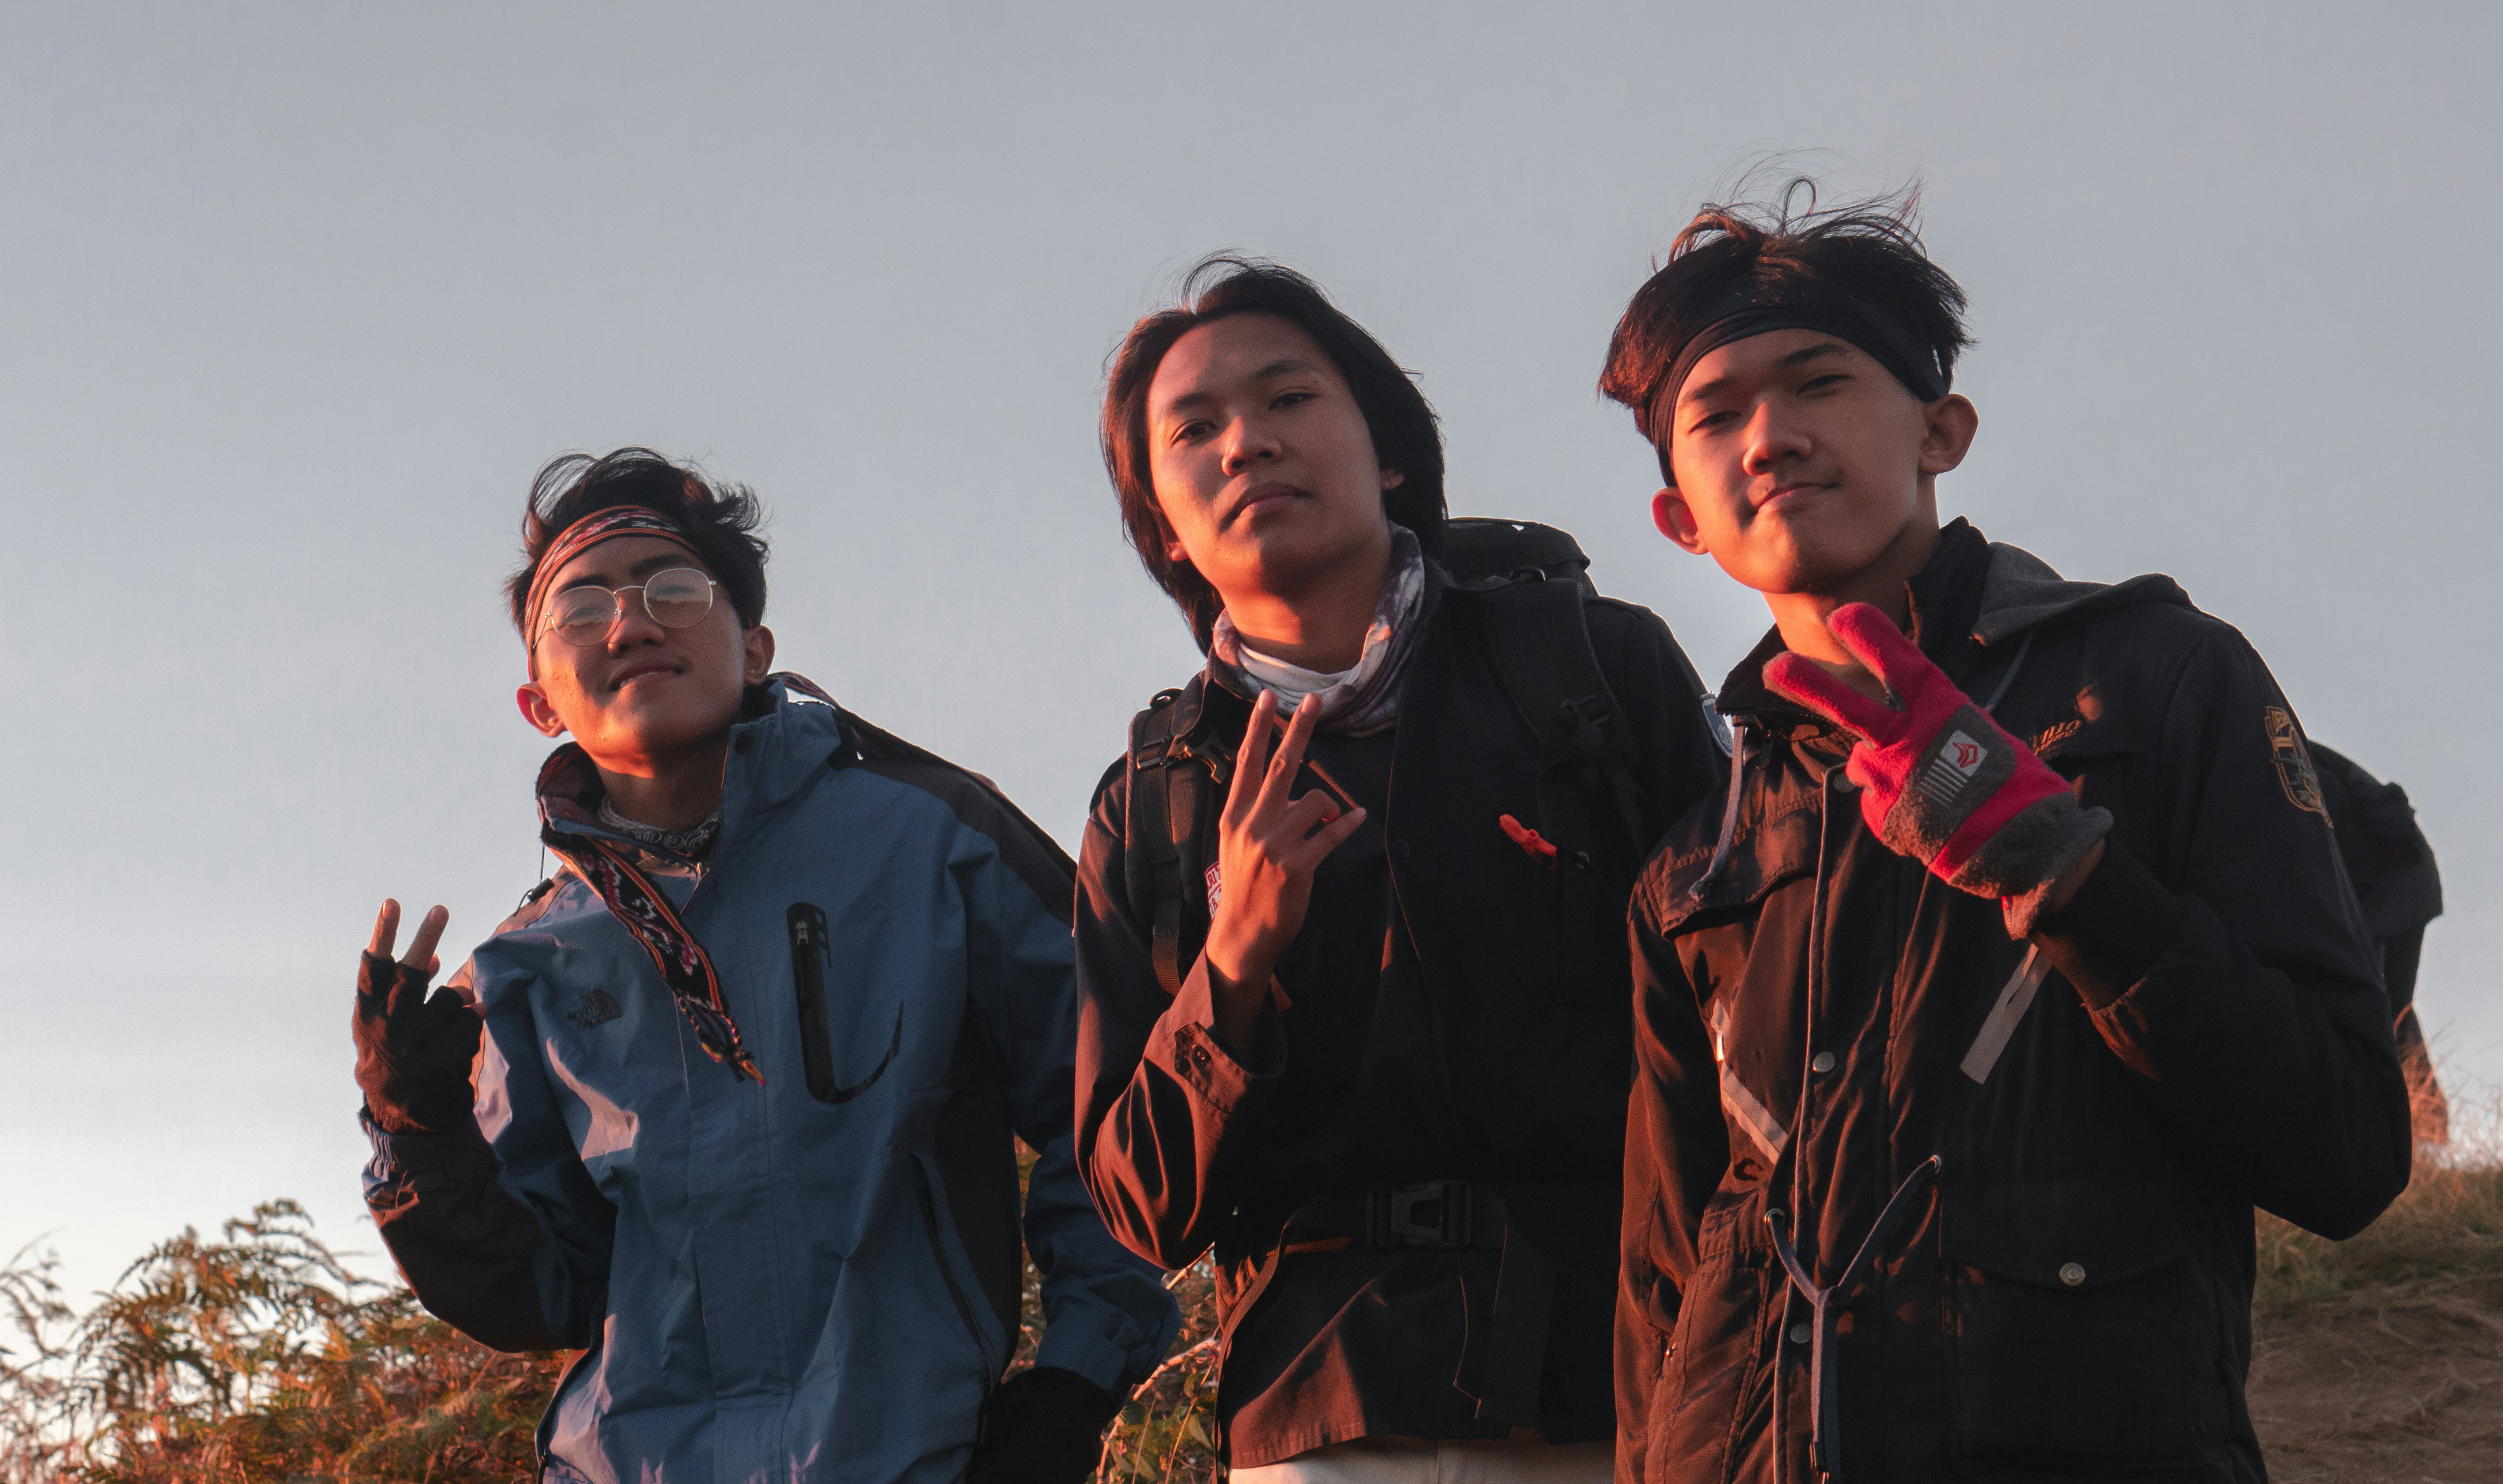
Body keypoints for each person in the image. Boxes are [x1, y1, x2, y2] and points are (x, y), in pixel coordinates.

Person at [1602, 189, 2410, 1483]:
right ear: (1679, 518)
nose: (1769, 436)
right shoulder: (1690, 864)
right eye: (1714, 414)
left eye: (1817, 382)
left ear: (1940, 430)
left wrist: (2065, 868)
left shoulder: (2155, 685)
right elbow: (1658, 1294)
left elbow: (2345, 1149)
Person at [350, 449, 1179, 1484]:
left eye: (674, 588)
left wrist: (1075, 1380)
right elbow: (538, 1297)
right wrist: (416, 1133)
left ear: (754, 644)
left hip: (911, 1457)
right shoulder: (524, 967)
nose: (632, 623)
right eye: (581, 607)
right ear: (540, 703)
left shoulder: (932, 835)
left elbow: (1112, 1105)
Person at [1070, 260, 1725, 1483]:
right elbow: (1139, 1206)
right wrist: (1234, 962)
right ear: (1165, 524)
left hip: (1620, 1388)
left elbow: (1752, 1014)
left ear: (1388, 457)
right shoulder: (1157, 797)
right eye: (1195, 430)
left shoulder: (1588, 669)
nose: (1248, 444)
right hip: (1322, 1416)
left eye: (1288, 400)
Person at [2310, 740, 2450, 1143]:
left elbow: (2385, 816)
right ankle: (2422, 1121)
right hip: (2396, 887)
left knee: (2378, 1001)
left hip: (2397, 888)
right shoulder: (2296, 756)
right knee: (2388, 1004)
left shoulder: (2297, 764)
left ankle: (2419, 1123)